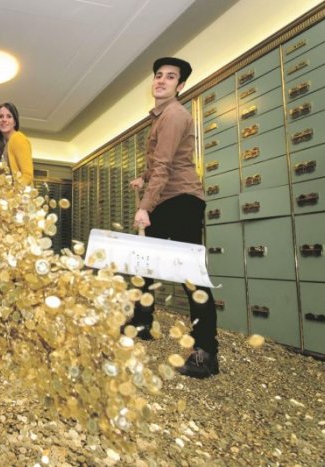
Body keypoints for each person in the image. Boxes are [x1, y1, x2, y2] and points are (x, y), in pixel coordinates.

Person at [127, 57, 219, 378]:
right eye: (158, 75)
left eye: (170, 77)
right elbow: (161, 162)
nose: (161, 80)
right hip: (168, 198)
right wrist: (143, 177)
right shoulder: (162, 116)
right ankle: (142, 323)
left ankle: (206, 351)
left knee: (191, 275)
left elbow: (166, 166)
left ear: (180, 86)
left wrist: (145, 206)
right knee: (144, 265)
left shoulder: (175, 115)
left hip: (181, 200)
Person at [0, 102, 33, 185]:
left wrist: (14, 191)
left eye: (9, 116)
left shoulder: (18, 138)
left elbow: (27, 176)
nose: (4, 119)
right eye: (0, 116)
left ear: (15, 122)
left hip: (17, 192)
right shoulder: (4, 145)